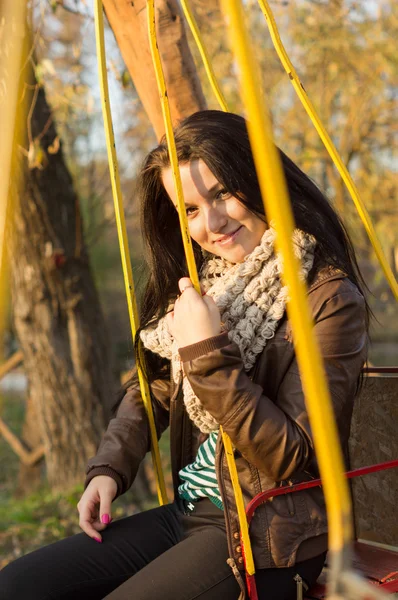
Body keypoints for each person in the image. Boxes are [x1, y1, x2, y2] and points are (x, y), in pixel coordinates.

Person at [0, 110, 369, 600]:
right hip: (192, 511)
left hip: (271, 536)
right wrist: (109, 468)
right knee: (19, 585)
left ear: (259, 180)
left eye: (221, 194)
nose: (210, 223)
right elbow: (154, 384)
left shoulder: (327, 298)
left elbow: (292, 455)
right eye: (189, 210)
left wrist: (206, 351)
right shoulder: (211, 282)